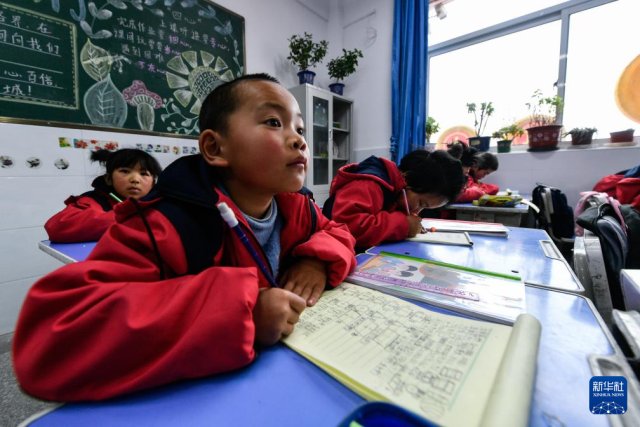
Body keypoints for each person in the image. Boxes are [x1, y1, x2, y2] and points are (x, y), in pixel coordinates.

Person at [13, 73, 357, 402]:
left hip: (283, 382)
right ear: (214, 147)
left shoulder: (297, 208)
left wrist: (315, 260)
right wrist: (246, 312)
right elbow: (52, 338)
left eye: (299, 128)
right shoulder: (166, 224)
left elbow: (338, 231)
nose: (299, 139)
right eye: (272, 122)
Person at [322, 149, 464, 249]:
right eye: (421, 203)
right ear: (407, 179)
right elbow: (348, 226)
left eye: (424, 208)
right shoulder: (369, 185)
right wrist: (403, 225)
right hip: (329, 253)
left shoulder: (397, 191)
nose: (417, 210)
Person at [44, 148, 162, 242]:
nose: (135, 179)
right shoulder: (95, 200)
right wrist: (129, 217)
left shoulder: (161, 203)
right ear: (108, 179)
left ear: (153, 182)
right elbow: (57, 227)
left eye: (144, 173)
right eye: (125, 171)